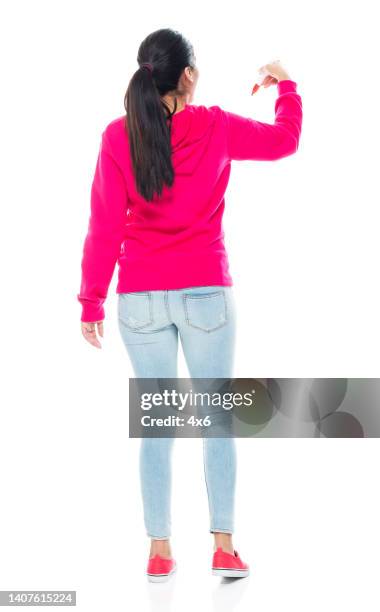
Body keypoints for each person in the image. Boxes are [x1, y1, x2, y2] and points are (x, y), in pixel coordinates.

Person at [77, 27, 303, 582]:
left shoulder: (116, 136)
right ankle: (224, 546)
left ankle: (159, 552)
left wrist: (91, 302)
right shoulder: (216, 126)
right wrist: (287, 83)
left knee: (156, 426)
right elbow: (284, 141)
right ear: (188, 76)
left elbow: (103, 228)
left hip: (140, 303)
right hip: (207, 296)